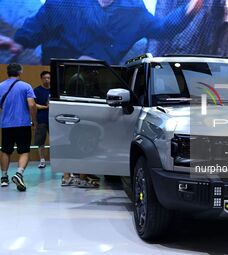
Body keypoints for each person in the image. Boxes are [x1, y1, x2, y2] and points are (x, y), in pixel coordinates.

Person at [0, 0, 203, 65]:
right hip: (56, 81)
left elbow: (163, 29)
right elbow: (37, 25)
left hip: (97, 87)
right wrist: (18, 43)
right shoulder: (63, 3)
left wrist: (191, 8)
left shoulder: (133, 10)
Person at [0, 63, 37, 191]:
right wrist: (33, 120)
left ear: (7, 72)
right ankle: (19, 174)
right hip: (23, 124)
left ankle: (4, 178)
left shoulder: (0, 86)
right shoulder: (26, 86)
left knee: (5, 150)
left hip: (6, 125)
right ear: (20, 72)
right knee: (24, 151)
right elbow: (32, 105)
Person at [34, 71, 51, 168]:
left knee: (55, 140)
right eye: (45, 78)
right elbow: (33, 105)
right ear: (41, 78)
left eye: (48, 78)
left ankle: (55, 160)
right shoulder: (37, 90)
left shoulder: (55, 90)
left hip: (54, 119)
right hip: (41, 119)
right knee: (41, 141)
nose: (47, 80)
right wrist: (45, 107)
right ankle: (42, 160)